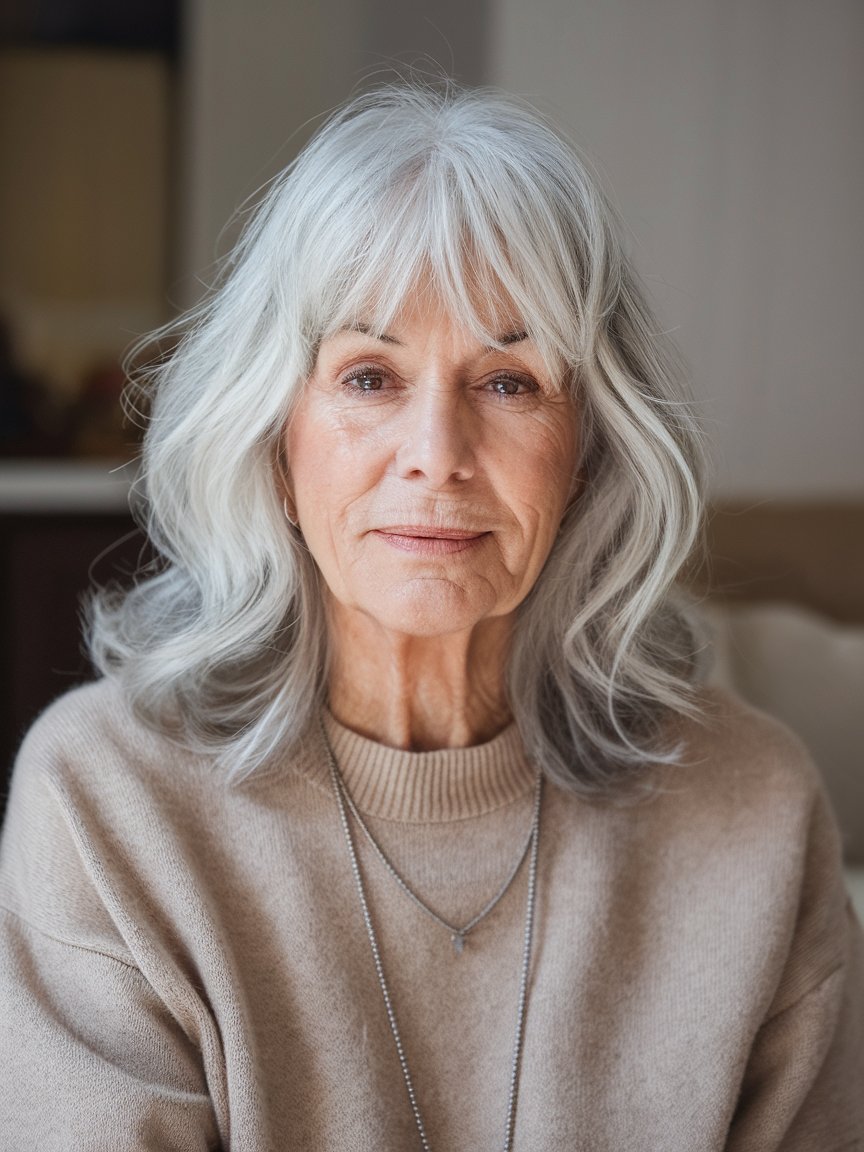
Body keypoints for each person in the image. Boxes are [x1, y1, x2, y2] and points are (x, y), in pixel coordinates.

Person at [0, 82, 861, 1151]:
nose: (437, 453)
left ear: (590, 449)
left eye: (508, 382)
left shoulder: (756, 812)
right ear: (275, 438)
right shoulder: (108, 803)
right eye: (369, 376)